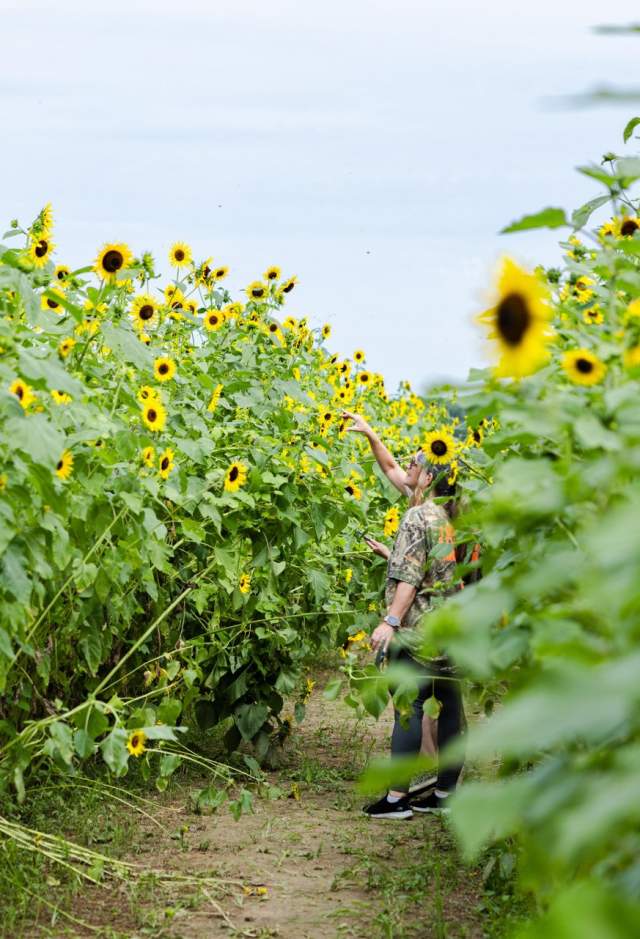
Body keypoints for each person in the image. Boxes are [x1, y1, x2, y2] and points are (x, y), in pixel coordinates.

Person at [343, 413, 464, 820]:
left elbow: (411, 578)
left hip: (419, 628)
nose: (408, 467)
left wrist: (389, 621)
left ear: (428, 478)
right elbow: (434, 565)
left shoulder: (416, 516)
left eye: (415, 464)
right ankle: (445, 796)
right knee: (448, 705)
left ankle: (397, 799)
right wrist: (391, 555)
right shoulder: (445, 516)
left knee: (407, 706)